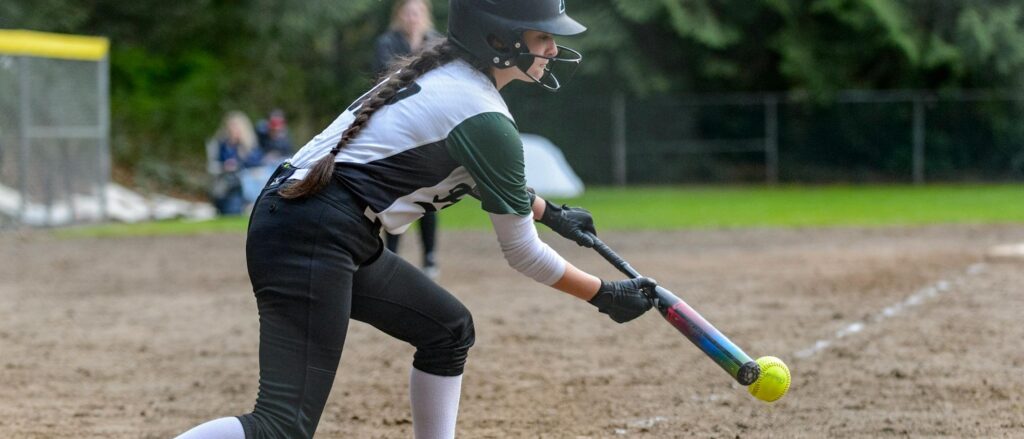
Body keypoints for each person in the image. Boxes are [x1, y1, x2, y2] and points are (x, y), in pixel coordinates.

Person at [175, 1, 656, 438]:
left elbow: (468, 172)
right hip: (314, 232)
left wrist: (552, 213)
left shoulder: (450, 78)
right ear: (499, 41)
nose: (553, 48)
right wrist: (602, 294)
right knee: (280, 427)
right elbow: (522, 253)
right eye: (542, 36)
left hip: (315, 223)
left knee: (448, 331)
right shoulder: (485, 116)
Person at [374, 0, 444, 278]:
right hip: (398, 126)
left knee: (427, 192)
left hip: (430, 127)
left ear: (425, 15)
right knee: (395, 193)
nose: (413, 17)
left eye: (417, 12)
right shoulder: (386, 43)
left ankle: (429, 257)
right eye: (408, 12)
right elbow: (385, 79)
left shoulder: (437, 42)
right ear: (399, 16)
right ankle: (391, 256)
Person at [208, 111, 262, 215]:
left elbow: (256, 165)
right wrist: (225, 166)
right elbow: (213, 166)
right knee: (229, 209)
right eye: (231, 127)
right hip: (226, 183)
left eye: (236, 127)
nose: (232, 130)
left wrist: (241, 154)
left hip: (245, 184)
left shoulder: (249, 146)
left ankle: (249, 205)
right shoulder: (222, 145)